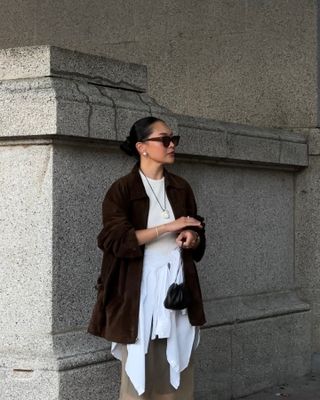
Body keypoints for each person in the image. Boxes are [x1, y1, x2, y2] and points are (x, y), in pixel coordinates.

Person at [88, 117, 206, 400]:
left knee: (177, 369)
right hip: (136, 293)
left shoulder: (180, 188)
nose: (172, 145)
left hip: (177, 290)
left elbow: (196, 233)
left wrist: (192, 238)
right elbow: (114, 240)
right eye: (164, 139)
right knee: (138, 370)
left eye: (173, 139)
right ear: (142, 147)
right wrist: (167, 227)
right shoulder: (123, 190)